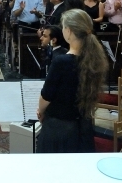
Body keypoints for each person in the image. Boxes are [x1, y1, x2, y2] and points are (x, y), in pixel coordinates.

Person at [36, 9, 108, 153]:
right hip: (83, 125)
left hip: (59, 129)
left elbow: (46, 96)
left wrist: (41, 111)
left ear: (68, 31)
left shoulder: (61, 61)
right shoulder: (94, 58)